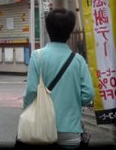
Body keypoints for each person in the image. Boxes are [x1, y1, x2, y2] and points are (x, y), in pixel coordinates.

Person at [20, 8, 94, 149]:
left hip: (41, 128)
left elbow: (30, 91)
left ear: (48, 29)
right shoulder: (78, 60)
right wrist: (74, 103)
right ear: (70, 31)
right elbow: (88, 93)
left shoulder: (37, 56)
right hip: (70, 129)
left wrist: (26, 110)